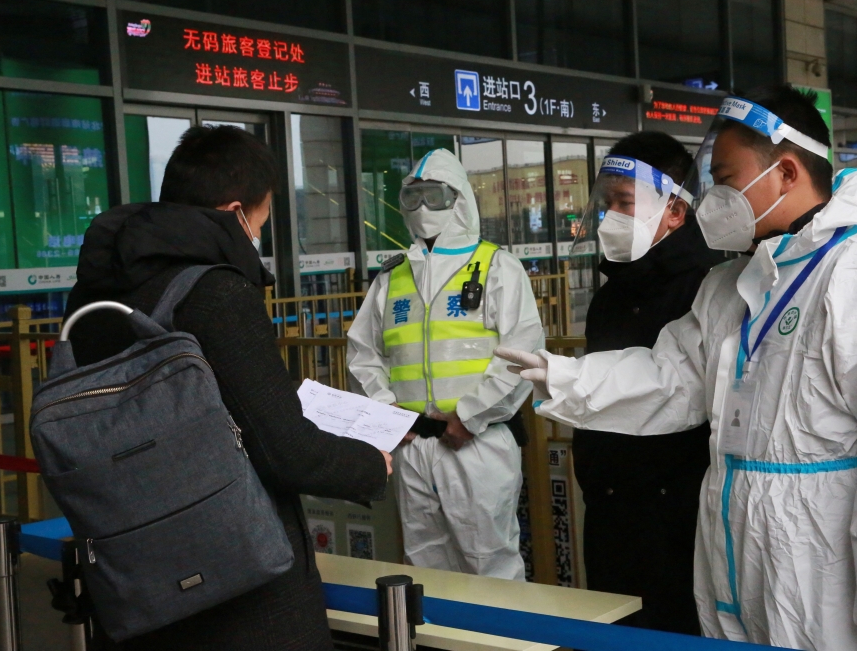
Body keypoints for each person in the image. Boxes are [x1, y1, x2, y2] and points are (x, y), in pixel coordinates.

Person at [498, 86, 857, 651]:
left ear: (786, 171)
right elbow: (672, 378)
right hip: (734, 557)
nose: (715, 200)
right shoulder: (734, 283)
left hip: (822, 574)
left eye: (725, 180)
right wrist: (567, 378)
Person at [64, 125, 391, 651]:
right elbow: (284, 450)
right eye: (261, 218)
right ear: (237, 212)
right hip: (234, 587)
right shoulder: (214, 293)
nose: (258, 233)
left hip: (133, 573)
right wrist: (370, 464)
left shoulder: (94, 295)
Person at [347, 148, 542, 580]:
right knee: (425, 563)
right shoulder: (392, 275)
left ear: (460, 199)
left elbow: (521, 351)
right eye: (411, 197)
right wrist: (385, 410)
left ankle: (500, 647)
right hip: (413, 443)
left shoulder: (497, 266)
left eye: (433, 196)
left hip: (478, 442)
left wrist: (469, 416)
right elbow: (363, 352)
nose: (421, 208)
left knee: (489, 561)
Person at [574, 131, 722, 634]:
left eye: (625, 203)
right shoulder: (610, 293)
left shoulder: (708, 288)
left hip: (677, 522)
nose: (610, 216)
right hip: (611, 510)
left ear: (676, 211)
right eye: (606, 202)